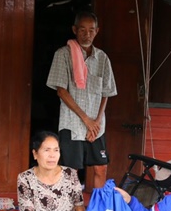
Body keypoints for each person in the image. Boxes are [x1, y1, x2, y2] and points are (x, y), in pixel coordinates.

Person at [46, 10, 117, 191]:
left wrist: (97, 122)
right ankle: (73, 206)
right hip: (72, 124)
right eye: (82, 30)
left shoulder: (102, 58)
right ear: (74, 30)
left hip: (96, 127)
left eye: (91, 30)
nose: (87, 34)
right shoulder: (63, 54)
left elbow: (106, 93)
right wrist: (87, 120)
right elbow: (61, 91)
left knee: (101, 168)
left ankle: (98, 206)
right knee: (71, 171)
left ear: (97, 31)